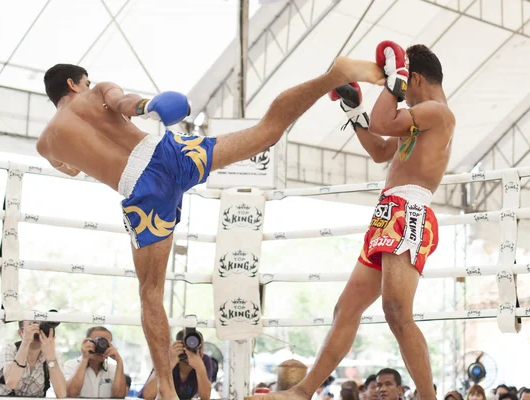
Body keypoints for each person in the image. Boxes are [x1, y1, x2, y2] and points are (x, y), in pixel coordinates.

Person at [37, 56, 384, 399]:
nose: (86, 83)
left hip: (143, 193)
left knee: (151, 293)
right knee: (265, 132)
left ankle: (169, 394)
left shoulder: (47, 142)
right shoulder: (99, 91)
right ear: (73, 83)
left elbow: (70, 169)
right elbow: (133, 105)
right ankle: (332, 75)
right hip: (170, 152)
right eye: (83, 80)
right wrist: (151, 105)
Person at [250, 41, 454, 400]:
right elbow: (379, 149)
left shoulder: (437, 112)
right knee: (346, 308)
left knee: (396, 312)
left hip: (410, 211)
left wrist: (394, 80)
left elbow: (383, 121)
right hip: (389, 214)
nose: (401, 94)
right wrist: (353, 108)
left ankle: (427, 397)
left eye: (405, 86)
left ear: (415, 78)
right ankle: (303, 392)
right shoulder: (420, 120)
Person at [0, 320, 66, 397]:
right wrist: (26, 342)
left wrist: (50, 357)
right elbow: (11, 382)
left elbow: (62, 394)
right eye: (31, 325)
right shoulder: (10, 349)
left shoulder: (53, 355)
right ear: (20, 333)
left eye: (40, 326)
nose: (36, 331)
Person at [138, 330, 213, 400]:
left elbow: (205, 397)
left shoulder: (204, 361)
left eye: (197, 344)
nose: (192, 347)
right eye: (188, 343)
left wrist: (200, 368)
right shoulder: (168, 357)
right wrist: (169, 364)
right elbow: (148, 395)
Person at [63, 326, 126, 398]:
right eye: (97, 342)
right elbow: (71, 394)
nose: (101, 346)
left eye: (105, 343)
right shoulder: (71, 365)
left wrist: (119, 361)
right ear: (87, 342)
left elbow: (119, 396)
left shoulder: (113, 369)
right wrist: (85, 359)